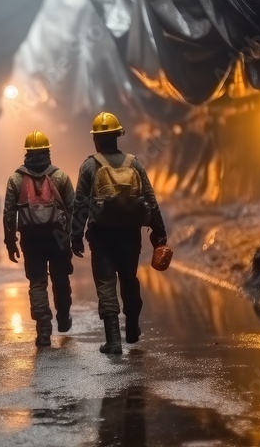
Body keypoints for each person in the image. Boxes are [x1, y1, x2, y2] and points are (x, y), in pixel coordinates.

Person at [70, 112, 168, 355]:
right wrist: (159, 231)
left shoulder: (90, 165)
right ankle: (132, 328)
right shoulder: (134, 163)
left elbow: (81, 204)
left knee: (105, 283)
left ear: (96, 139)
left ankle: (113, 341)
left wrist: (75, 235)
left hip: (101, 236)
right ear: (118, 136)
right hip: (129, 234)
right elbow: (150, 199)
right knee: (129, 278)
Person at [3, 130, 76, 347]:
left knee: (37, 283)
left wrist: (10, 241)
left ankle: (43, 330)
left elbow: (9, 213)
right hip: (58, 237)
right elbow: (73, 208)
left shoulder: (16, 178)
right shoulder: (60, 176)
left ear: (26, 152)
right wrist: (71, 236)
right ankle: (63, 318)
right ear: (48, 151)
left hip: (30, 238)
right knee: (61, 280)